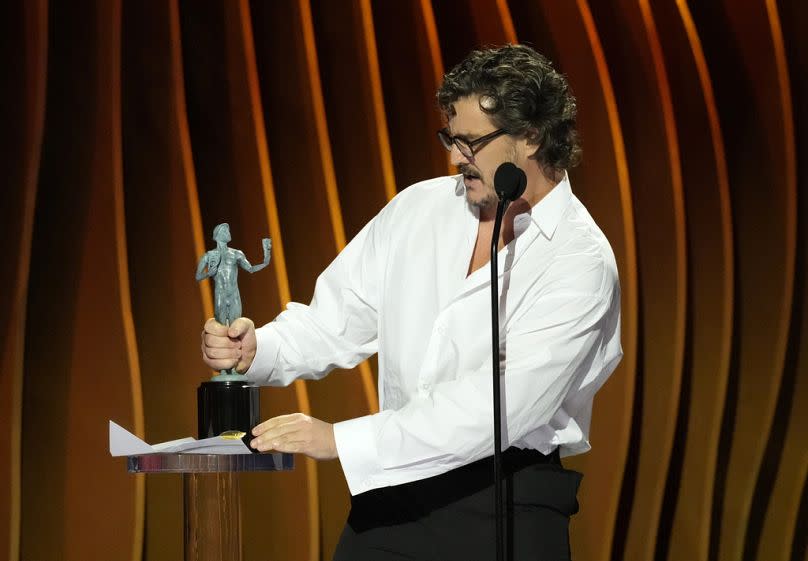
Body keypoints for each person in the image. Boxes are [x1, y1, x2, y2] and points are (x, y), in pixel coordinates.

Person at [201, 44, 622, 560]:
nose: (453, 157)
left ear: (531, 136)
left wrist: (341, 441)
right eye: (450, 138)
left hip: (504, 503)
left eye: (469, 142)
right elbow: (335, 317)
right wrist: (257, 349)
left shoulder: (579, 260)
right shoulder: (418, 208)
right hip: (391, 496)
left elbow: (499, 409)